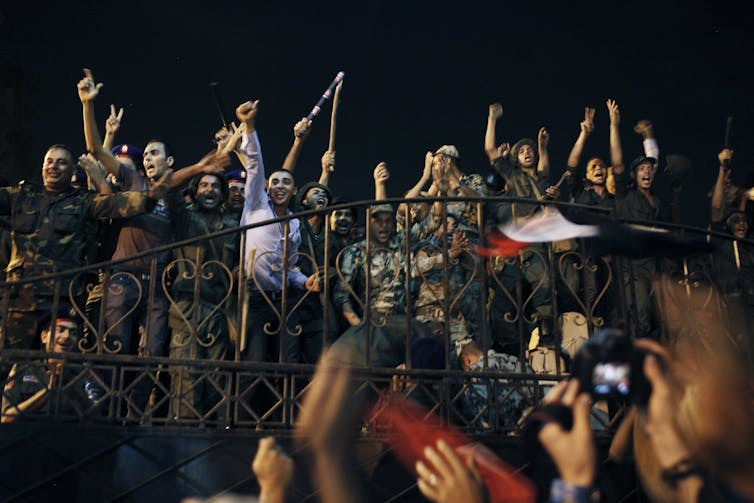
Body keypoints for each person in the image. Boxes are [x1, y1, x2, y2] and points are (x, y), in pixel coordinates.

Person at [78, 68, 229, 415]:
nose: (147, 158)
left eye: (155, 153)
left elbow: (186, 178)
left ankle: (136, 413)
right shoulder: (131, 178)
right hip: (123, 278)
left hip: (159, 283)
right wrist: (88, 106)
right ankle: (108, 412)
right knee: (116, 346)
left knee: (152, 351)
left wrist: (222, 150)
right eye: (145, 154)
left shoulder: (177, 195)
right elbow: (95, 150)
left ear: (169, 160)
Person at [0, 144, 169, 351]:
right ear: (42, 167)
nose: (54, 167)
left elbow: (118, 203)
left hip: (63, 300)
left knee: (62, 368)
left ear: (72, 171)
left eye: (62, 163)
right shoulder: (22, 195)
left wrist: (150, 197)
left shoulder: (83, 201)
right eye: (50, 162)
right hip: (20, 301)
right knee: (9, 362)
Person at [234, 100, 320, 364]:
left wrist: (305, 281)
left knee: (287, 364)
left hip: (285, 302)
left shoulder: (295, 223)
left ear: (294, 191)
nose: (280, 187)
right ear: (267, 188)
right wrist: (249, 126)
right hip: (255, 299)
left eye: (286, 182)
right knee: (255, 364)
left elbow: (290, 268)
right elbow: (255, 166)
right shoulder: (256, 204)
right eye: (275, 182)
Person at [332, 162, 433, 368]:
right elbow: (341, 296)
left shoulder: (401, 242)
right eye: (378, 220)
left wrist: (436, 183)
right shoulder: (356, 251)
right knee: (339, 362)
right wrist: (358, 325)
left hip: (405, 322)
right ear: (369, 223)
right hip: (373, 323)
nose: (384, 225)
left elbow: (434, 221)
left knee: (427, 360)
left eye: (388, 220)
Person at [167, 172, 239, 421]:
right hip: (186, 308)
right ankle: (184, 442)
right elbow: (169, 190)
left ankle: (213, 442)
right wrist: (199, 166)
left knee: (216, 380)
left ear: (223, 193)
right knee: (186, 377)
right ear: (195, 192)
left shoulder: (234, 225)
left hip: (219, 310)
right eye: (204, 186)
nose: (209, 191)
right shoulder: (186, 218)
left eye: (215, 186)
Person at [609, 99, 662, 339]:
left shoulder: (656, 200)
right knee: (638, 314)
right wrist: (614, 125)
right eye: (642, 169)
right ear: (633, 175)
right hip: (633, 266)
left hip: (654, 264)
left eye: (649, 170)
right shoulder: (625, 196)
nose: (647, 172)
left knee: (656, 316)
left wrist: (648, 135)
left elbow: (654, 161)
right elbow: (618, 161)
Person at [1, 306, 105, 423]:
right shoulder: (23, 369)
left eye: (73, 333)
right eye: (60, 330)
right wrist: (47, 392)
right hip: (27, 438)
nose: (66, 337)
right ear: (44, 337)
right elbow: (6, 418)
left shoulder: (87, 374)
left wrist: (70, 389)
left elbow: (98, 420)